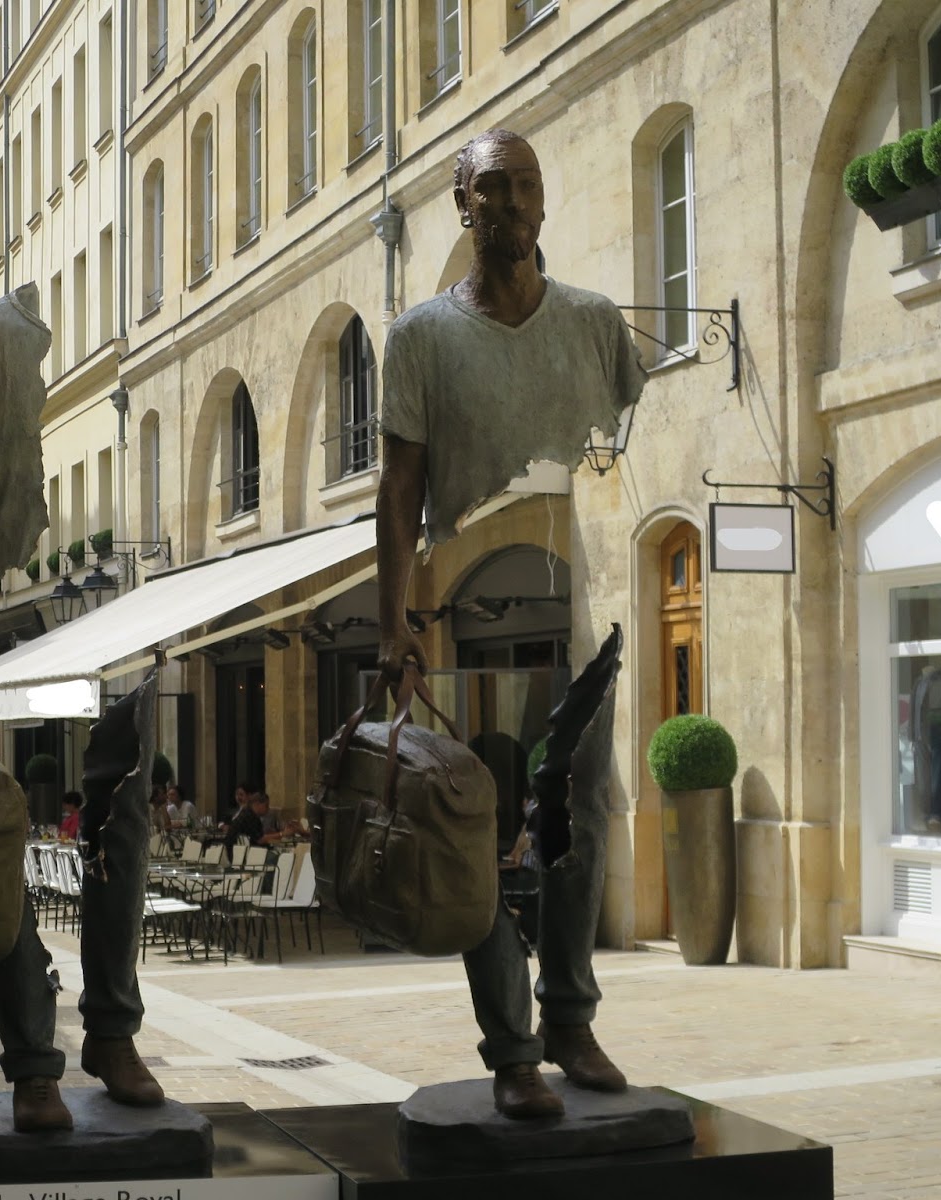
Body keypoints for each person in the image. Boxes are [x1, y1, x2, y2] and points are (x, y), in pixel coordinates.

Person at [375, 129, 645, 1120]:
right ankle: (513, 1047)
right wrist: (394, 617)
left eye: (526, 185)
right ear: (462, 202)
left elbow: (623, 455)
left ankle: (569, 1017)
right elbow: (398, 485)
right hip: (469, 626)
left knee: (578, 823)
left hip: (581, 619)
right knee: (477, 835)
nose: (513, 202)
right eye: (493, 187)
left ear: (543, 202)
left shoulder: (594, 323)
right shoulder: (420, 338)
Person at [0, 281, 163, 1132]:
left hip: (118, 614)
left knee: (124, 820)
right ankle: (32, 1059)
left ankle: (112, 1032)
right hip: (7, 612)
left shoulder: (81, 326)